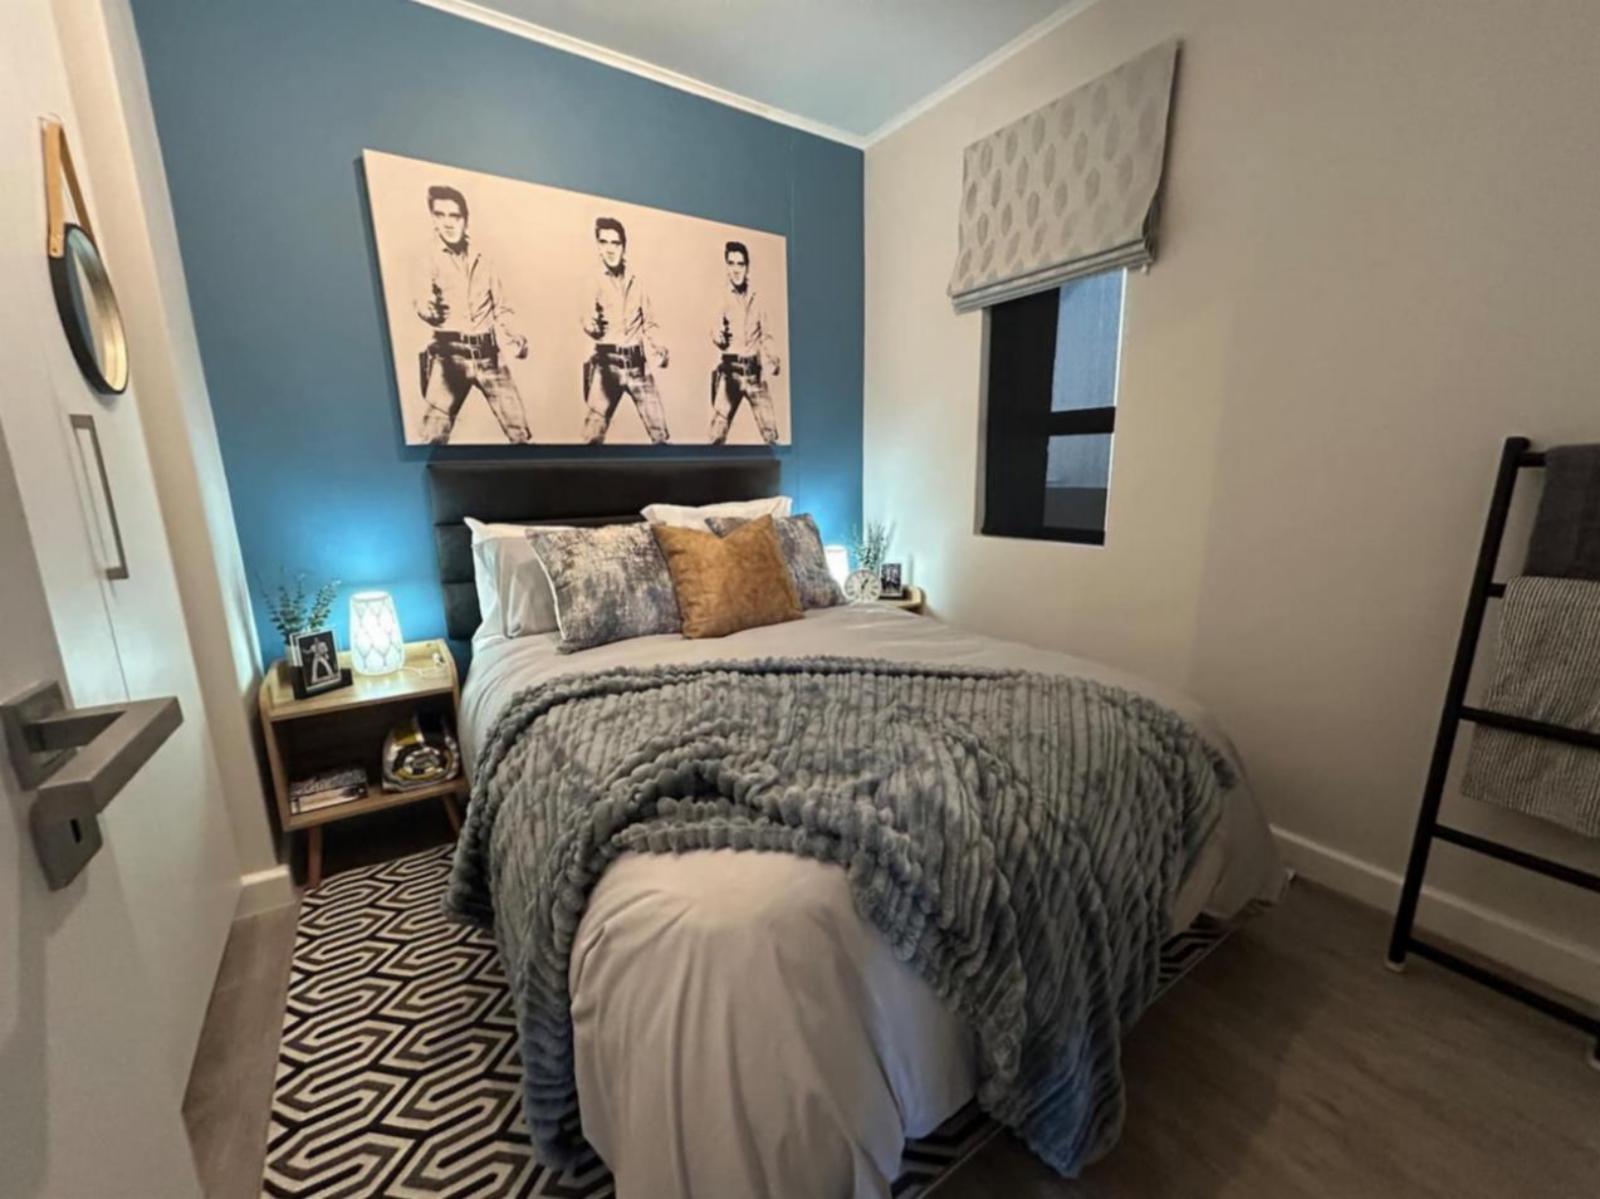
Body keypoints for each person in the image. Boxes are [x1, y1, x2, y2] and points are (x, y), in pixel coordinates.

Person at [412, 184, 533, 444]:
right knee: (431, 440)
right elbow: (421, 300)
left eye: (454, 216)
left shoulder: (484, 258)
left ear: (465, 220)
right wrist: (430, 310)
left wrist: (516, 334)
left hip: (490, 355)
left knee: (521, 437)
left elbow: (502, 306)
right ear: (432, 218)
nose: (448, 223)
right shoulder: (427, 258)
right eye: (440, 215)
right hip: (449, 356)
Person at [579, 217, 670, 444]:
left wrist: (660, 347)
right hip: (606, 366)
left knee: (661, 437)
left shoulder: (637, 280)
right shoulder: (592, 281)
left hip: (638, 366)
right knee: (591, 438)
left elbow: (650, 322)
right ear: (598, 246)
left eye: (615, 243)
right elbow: (586, 317)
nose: (610, 249)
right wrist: (592, 326)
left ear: (624, 246)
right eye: (604, 242)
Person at [708, 240, 782, 445]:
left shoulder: (757, 297)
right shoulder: (720, 296)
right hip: (730, 372)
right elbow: (714, 327)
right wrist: (718, 335)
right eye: (731, 263)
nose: (736, 269)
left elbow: (766, 335)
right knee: (716, 437)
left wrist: (773, 357)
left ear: (747, 267)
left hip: (754, 372)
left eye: (740, 264)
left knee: (772, 437)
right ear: (726, 266)